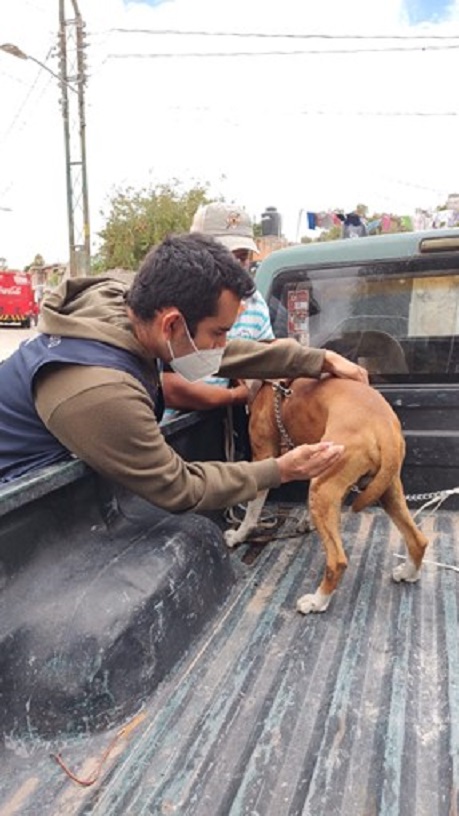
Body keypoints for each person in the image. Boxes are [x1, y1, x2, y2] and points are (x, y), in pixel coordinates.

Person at [0, 233, 368, 514]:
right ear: (172, 323)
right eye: (220, 331)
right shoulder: (100, 392)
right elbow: (178, 488)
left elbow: (216, 351)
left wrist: (316, 360)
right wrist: (281, 470)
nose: (224, 342)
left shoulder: (124, 308)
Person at [162, 202, 274, 417]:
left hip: (218, 428)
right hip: (169, 430)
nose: (234, 266)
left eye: (241, 257)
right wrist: (235, 396)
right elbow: (166, 387)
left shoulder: (254, 303)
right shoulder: (173, 295)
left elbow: (266, 361)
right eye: (224, 256)